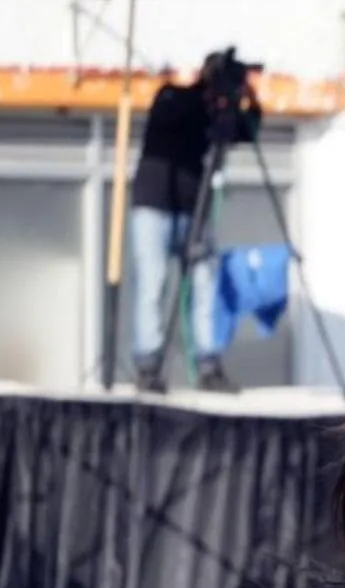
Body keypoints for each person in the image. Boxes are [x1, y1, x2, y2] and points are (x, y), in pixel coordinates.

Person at [128, 49, 262, 393]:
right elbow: (173, 117)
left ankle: (208, 364)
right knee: (153, 284)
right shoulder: (174, 96)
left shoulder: (218, 112)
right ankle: (148, 364)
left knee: (205, 286)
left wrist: (248, 97)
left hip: (194, 212)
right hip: (155, 205)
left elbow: (247, 132)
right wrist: (207, 92)